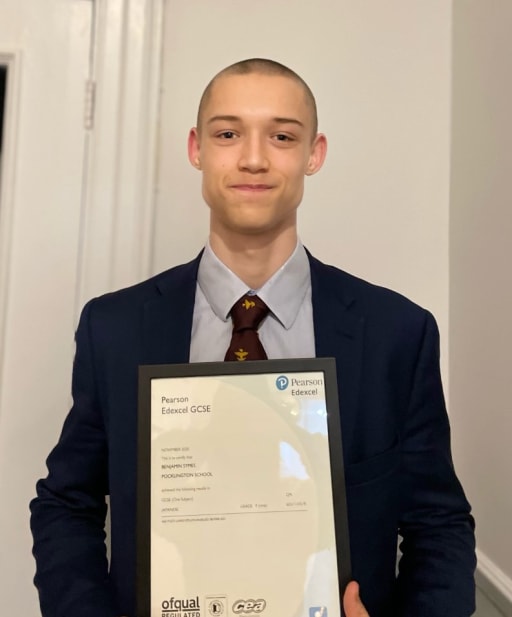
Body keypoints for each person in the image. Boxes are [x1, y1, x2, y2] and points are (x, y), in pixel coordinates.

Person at [30, 58, 476, 617]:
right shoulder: (114, 328)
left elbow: (439, 523)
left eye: (282, 136)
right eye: (228, 133)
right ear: (197, 148)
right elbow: (66, 503)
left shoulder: (397, 333)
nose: (254, 158)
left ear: (314, 154)